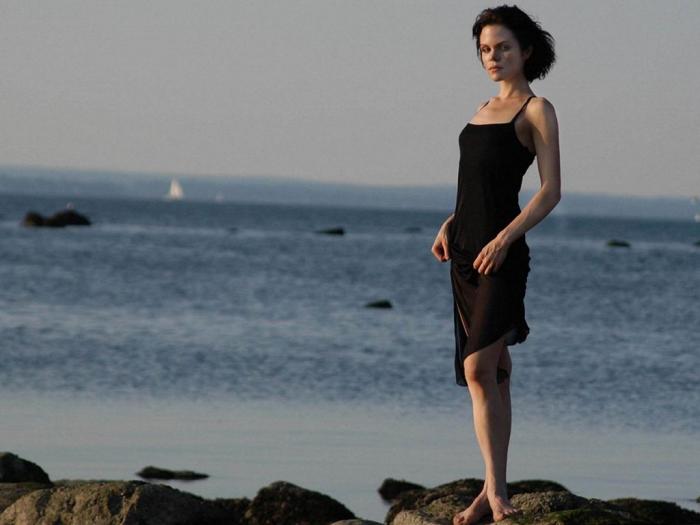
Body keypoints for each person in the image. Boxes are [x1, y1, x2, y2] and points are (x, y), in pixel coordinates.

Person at [431, 5, 561, 524]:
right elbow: (477, 186)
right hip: (463, 251)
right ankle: (491, 491)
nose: (493, 57)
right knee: (494, 371)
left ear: (525, 50)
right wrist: (450, 222)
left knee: (477, 368)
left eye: (503, 47)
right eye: (485, 49)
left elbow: (550, 191)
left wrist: (506, 238)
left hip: (500, 255)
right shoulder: (482, 107)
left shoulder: (536, 109)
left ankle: (495, 491)